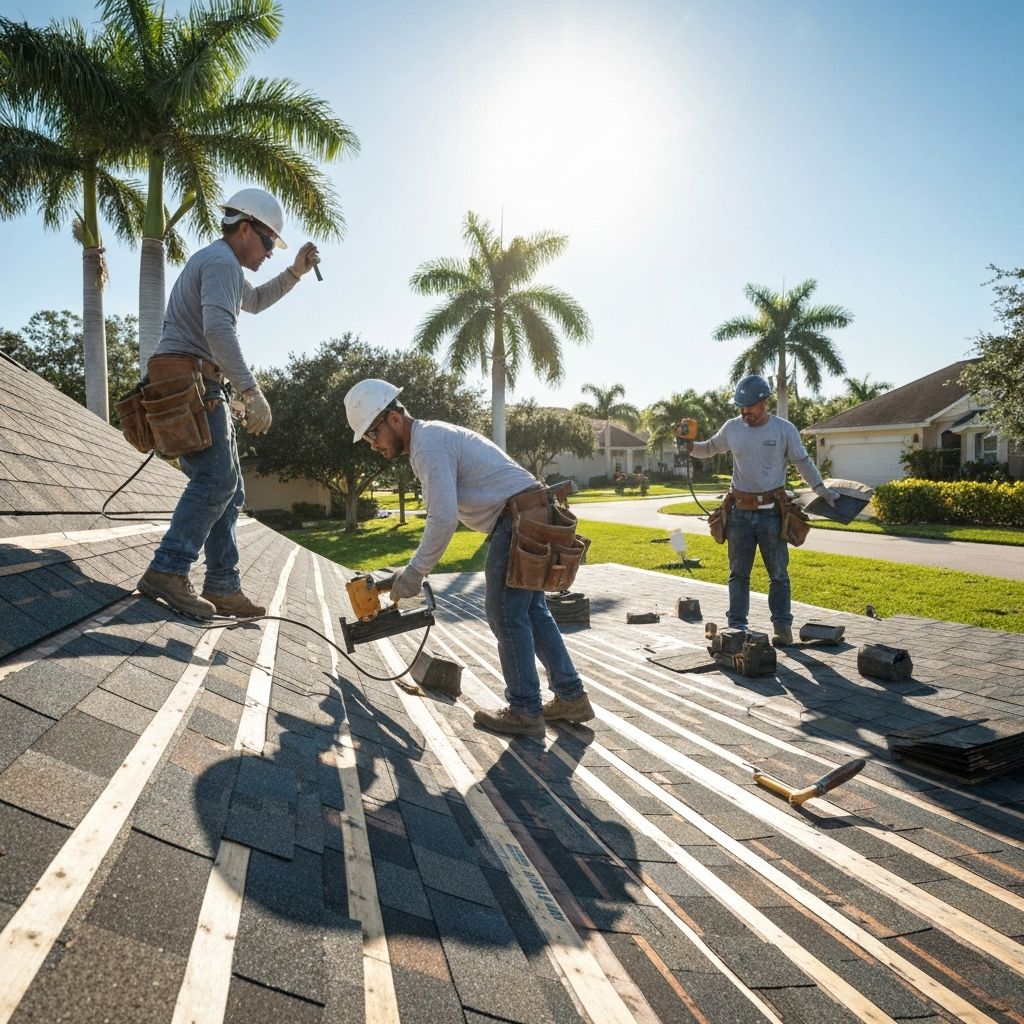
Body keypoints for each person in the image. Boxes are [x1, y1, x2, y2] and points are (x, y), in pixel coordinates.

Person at [343, 379, 594, 736]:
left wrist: (413, 574)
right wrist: (410, 572)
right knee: (531, 612)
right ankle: (571, 696)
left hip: (517, 520)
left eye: (372, 434)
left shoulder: (428, 446)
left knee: (505, 613)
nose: (373, 446)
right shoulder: (430, 440)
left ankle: (525, 710)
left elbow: (443, 518)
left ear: (394, 420)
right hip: (530, 513)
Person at [137, 188, 320, 620]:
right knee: (217, 481)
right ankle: (167, 569)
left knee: (229, 487)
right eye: (269, 242)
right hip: (191, 379)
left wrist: (294, 273)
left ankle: (222, 584)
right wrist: (252, 391)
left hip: (195, 379)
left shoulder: (226, 268)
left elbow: (253, 302)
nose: (271, 252)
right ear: (243, 229)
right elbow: (219, 329)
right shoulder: (220, 261)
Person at [683, 375, 839, 646]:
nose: (745, 412)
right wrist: (687, 446)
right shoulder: (732, 428)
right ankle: (737, 627)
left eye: (750, 407)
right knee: (738, 573)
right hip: (739, 513)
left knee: (778, 573)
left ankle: (782, 627)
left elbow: (802, 460)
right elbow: (708, 448)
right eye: (741, 407)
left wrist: (821, 489)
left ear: (764, 402)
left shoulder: (784, 430)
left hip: (772, 513)